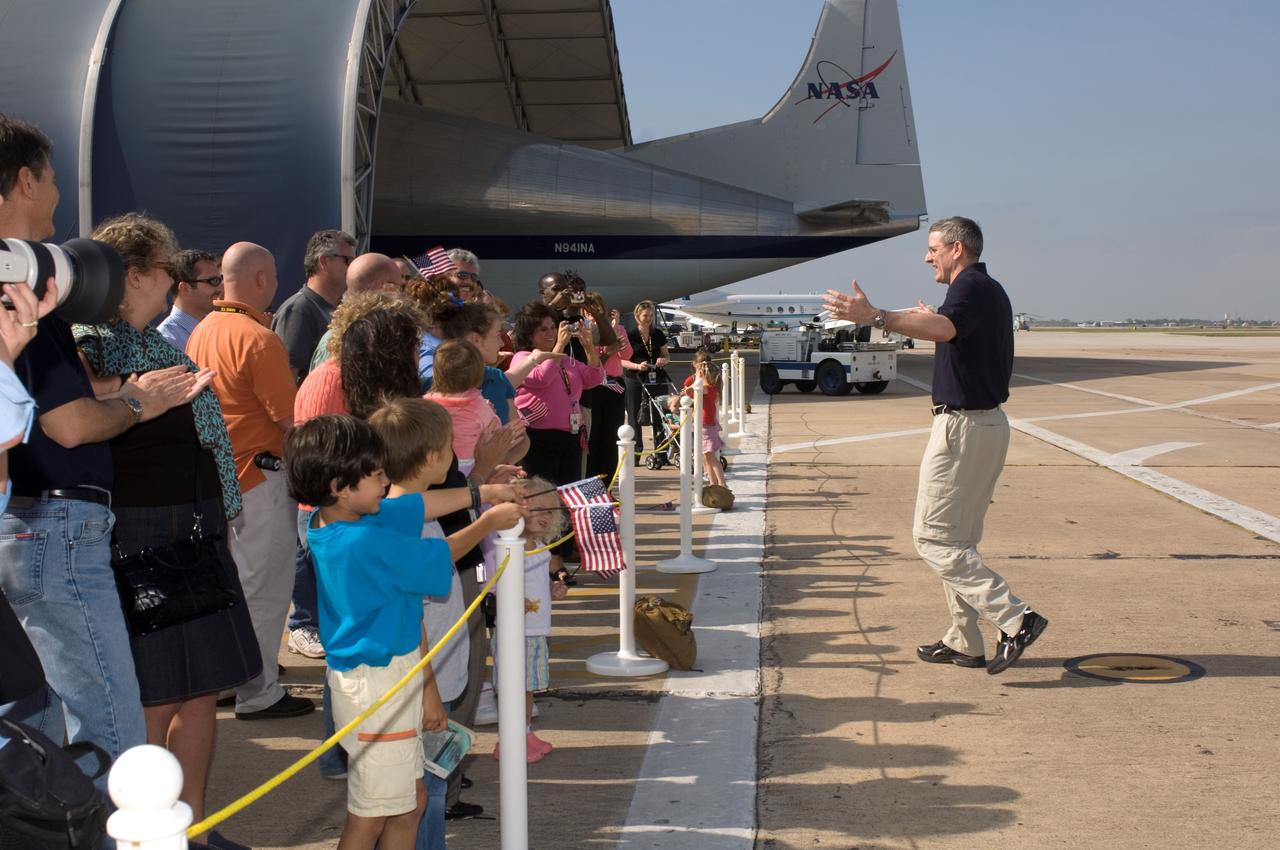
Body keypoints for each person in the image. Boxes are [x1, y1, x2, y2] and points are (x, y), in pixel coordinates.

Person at [0, 114, 205, 797]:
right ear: (25, 180)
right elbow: (66, 426)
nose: (57, 197)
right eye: (53, 179)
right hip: (56, 530)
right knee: (110, 725)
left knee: (46, 724)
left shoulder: (27, 290)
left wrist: (129, 390)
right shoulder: (22, 291)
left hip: (32, 525)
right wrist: (141, 404)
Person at [73, 214, 261, 845]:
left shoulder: (150, 338)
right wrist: (133, 392)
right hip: (142, 531)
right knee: (154, 692)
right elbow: (72, 411)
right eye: (165, 269)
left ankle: (195, 828)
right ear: (133, 276)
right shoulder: (89, 340)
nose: (174, 280)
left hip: (198, 523)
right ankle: (142, 832)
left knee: (203, 688)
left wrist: (226, 509)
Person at [286, 412, 524, 850]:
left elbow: (415, 506)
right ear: (341, 487)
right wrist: (489, 521)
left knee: (406, 802)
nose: (384, 481)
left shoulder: (339, 521)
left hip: (378, 683)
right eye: (375, 475)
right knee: (372, 814)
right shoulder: (363, 541)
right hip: (380, 688)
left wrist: (483, 491)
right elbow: (440, 553)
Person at [822, 216, 1048, 675]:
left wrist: (875, 316)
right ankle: (964, 640)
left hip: (964, 430)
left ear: (957, 249)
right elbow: (948, 328)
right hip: (983, 426)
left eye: (933, 249)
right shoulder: (984, 290)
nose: (928, 257)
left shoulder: (969, 289)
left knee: (932, 539)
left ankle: (1015, 618)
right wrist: (926, 317)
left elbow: (945, 331)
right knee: (957, 542)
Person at [187, 242, 314, 718]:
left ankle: (227, 679)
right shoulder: (258, 339)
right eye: (274, 278)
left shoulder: (203, 329)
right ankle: (258, 692)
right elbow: (290, 421)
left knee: (234, 587)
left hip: (224, 477)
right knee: (265, 591)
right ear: (261, 280)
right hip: (261, 479)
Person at [486, 477, 568, 764]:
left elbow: (537, 585)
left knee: (527, 687)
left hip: (536, 631)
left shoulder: (542, 549)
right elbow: (491, 579)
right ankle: (509, 738)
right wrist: (507, 596)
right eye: (537, 509)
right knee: (511, 687)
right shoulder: (506, 544)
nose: (544, 516)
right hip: (513, 632)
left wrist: (552, 589)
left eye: (550, 511)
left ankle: (524, 731)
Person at [511, 302, 605, 491]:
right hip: (538, 437)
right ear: (530, 334)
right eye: (543, 329)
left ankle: (566, 522)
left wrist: (588, 347)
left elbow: (595, 378)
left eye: (553, 328)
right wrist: (560, 344)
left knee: (568, 493)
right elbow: (541, 378)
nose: (551, 333)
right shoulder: (523, 357)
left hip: (570, 436)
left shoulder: (564, 359)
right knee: (543, 495)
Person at [272, 229, 356, 383]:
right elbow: (286, 379)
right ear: (323, 262)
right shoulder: (298, 310)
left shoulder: (340, 308)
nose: (353, 268)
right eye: (347, 260)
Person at [307, 252, 407, 373]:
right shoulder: (379, 340)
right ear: (386, 288)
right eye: (399, 287)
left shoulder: (332, 339)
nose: (402, 295)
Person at [585, 306, 631, 478]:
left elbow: (627, 355)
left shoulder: (618, 329)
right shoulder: (586, 331)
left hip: (613, 385)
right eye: (590, 312)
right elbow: (591, 363)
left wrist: (615, 329)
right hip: (593, 386)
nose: (594, 316)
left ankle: (608, 483)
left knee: (611, 437)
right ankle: (593, 482)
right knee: (593, 436)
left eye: (598, 312)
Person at [620, 300, 671, 455]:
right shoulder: (631, 336)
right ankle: (636, 452)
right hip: (635, 377)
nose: (648, 318)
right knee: (634, 414)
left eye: (650, 315)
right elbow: (622, 360)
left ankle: (661, 452)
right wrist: (637, 366)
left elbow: (666, 356)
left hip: (656, 377)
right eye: (645, 315)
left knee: (659, 413)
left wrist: (663, 360)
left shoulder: (658, 334)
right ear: (637, 316)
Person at [155, 249, 222, 353]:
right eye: (213, 281)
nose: (220, 289)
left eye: (220, 280)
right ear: (185, 288)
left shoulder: (221, 328)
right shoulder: (165, 341)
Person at [683, 348, 725, 489]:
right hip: (701, 423)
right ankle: (713, 484)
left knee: (711, 458)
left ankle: (722, 485)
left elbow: (699, 388)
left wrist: (697, 378)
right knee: (706, 458)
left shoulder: (709, 387)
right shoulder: (699, 384)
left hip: (706, 424)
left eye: (703, 366)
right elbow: (688, 395)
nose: (700, 369)